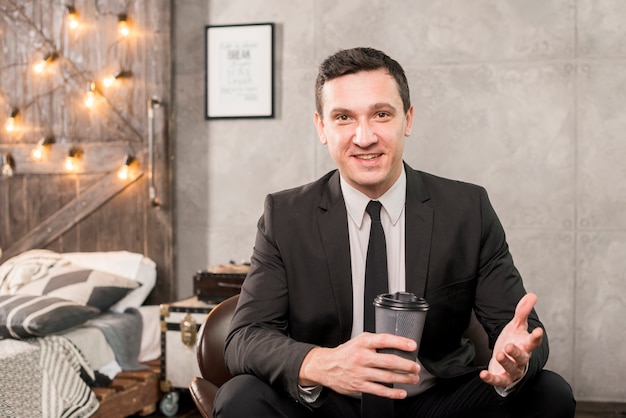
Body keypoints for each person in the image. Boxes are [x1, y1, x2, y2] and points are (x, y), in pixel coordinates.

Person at [214, 47, 575, 417]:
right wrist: (322, 363)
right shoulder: (285, 215)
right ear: (321, 127)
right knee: (239, 397)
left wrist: (515, 361)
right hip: (328, 402)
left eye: (381, 114)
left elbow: (521, 329)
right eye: (343, 117)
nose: (364, 136)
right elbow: (246, 337)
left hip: (433, 402)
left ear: (408, 119)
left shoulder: (468, 209)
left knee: (550, 392)